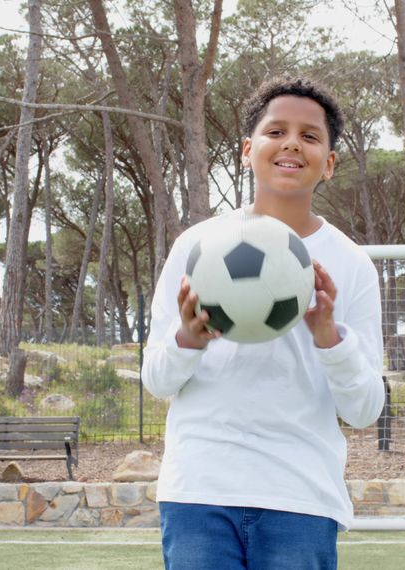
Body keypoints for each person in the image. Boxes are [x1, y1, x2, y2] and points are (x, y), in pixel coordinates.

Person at [141, 76, 385, 569]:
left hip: (300, 495)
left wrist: (328, 337)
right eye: (276, 131)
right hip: (200, 490)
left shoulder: (353, 264)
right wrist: (188, 338)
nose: (292, 143)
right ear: (248, 150)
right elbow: (155, 379)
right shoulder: (198, 246)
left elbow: (365, 410)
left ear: (330, 163)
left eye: (310, 136)